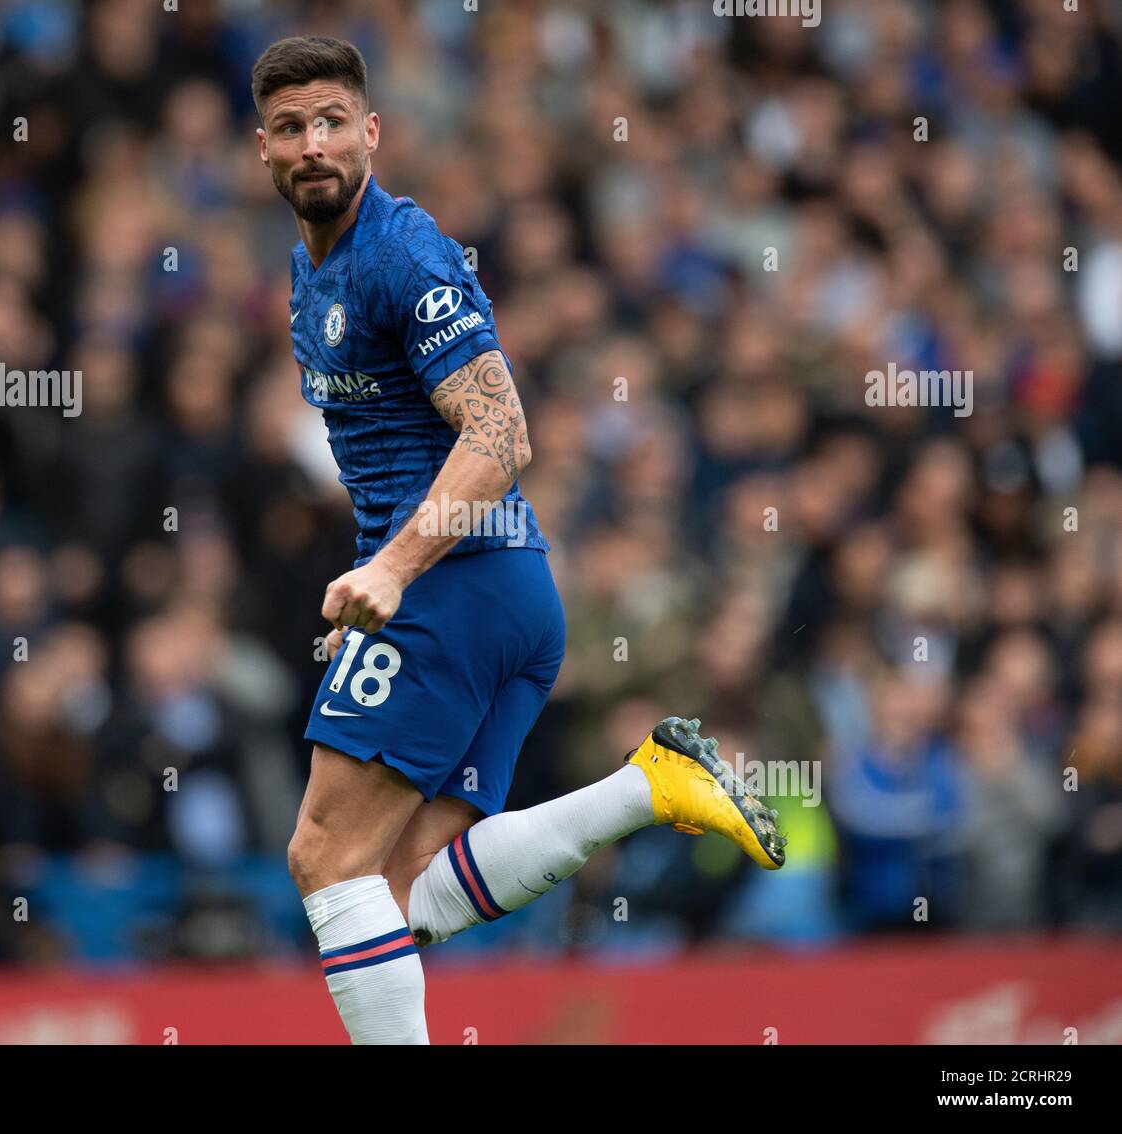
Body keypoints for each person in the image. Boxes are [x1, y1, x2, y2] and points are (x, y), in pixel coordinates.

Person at [252, 34, 785, 1045]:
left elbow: (502, 433)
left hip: (457, 583)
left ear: (372, 133)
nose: (311, 144)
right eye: (289, 128)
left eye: (330, 123)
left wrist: (395, 572)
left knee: (325, 860)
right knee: (401, 896)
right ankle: (650, 786)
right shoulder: (306, 269)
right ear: (264, 150)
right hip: (500, 593)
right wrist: (378, 582)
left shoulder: (400, 253)